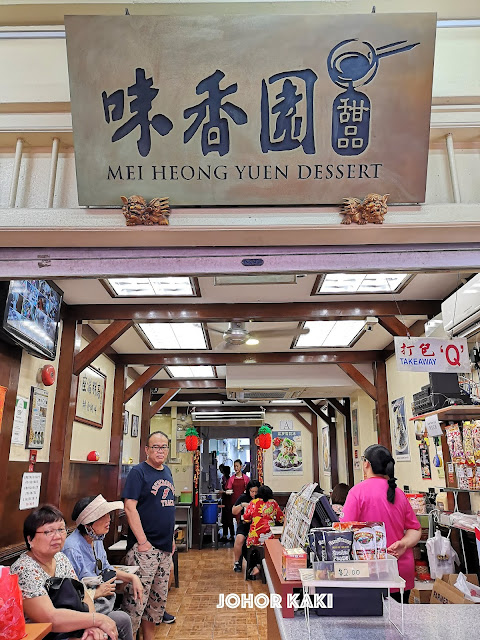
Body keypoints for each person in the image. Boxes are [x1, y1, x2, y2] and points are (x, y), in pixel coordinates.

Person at [10, 504, 118, 640]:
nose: (57, 536)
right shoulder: (24, 569)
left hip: (71, 625)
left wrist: (91, 624)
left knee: (118, 621)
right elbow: (50, 618)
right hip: (46, 633)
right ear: (30, 539)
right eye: (48, 532)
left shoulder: (60, 558)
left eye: (61, 530)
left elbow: (82, 594)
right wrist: (95, 620)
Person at [341, 444, 421, 602]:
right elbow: (415, 529)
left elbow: (344, 531)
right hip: (399, 571)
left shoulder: (357, 492)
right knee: (399, 624)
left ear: (366, 464)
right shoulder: (398, 493)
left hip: (368, 573)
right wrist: (403, 544)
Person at [63, 495, 144, 640]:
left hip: (104, 606)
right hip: (84, 612)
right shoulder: (71, 549)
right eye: (103, 516)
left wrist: (133, 577)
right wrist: (96, 593)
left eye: (108, 515)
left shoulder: (97, 538)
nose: (109, 520)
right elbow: (69, 593)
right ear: (88, 524)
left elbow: (106, 569)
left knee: (124, 618)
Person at [121, 430, 176, 640]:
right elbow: (129, 508)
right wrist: (143, 542)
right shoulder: (138, 472)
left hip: (163, 548)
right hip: (145, 550)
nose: (160, 451)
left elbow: (167, 508)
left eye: (164, 447)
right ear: (146, 450)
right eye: (155, 447)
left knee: (157, 602)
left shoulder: (167, 472)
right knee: (136, 602)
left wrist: (170, 538)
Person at [243, 485, 284, 580]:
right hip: (270, 538)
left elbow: (246, 518)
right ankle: (262, 567)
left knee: (247, 546)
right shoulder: (273, 503)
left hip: (254, 537)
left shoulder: (253, 502)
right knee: (268, 550)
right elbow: (281, 519)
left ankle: (254, 567)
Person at [231, 479, 260, 572]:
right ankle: (237, 563)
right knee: (239, 539)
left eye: (256, 491)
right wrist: (242, 505)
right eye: (252, 491)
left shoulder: (261, 498)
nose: (254, 494)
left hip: (257, 525)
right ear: (248, 490)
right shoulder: (243, 497)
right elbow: (233, 511)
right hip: (245, 523)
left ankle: (257, 564)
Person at [219, 465, 235, 542]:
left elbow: (229, 490)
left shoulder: (229, 480)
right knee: (225, 519)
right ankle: (225, 535)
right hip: (225, 500)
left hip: (229, 501)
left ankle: (232, 535)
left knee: (229, 519)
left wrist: (223, 492)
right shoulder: (224, 478)